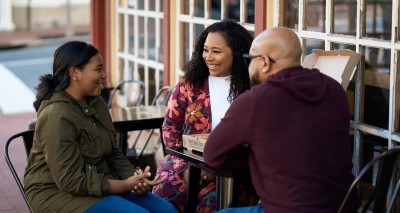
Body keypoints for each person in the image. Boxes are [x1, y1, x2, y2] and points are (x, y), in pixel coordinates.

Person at [203, 27, 360, 212]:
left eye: (249, 59)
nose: (248, 66)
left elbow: (212, 155)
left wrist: (258, 154)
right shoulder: (334, 90)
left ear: (265, 62)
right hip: (343, 207)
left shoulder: (255, 101)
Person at [24, 41, 177, 213]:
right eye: (98, 69)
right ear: (75, 73)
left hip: (99, 183)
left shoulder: (96, 103)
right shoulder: (56, 115)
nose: (104, 75)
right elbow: (71, 181)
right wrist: (125, 185)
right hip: (56, 193)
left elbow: (113, 152)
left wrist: (135, 179)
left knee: (167, 210)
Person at [152, 20, 259, 212]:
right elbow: (170, 127)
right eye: (205, 50)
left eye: (216, 51)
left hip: (231, 170)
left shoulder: (252, 89)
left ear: (236, 53)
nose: (208, 57)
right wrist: (186, 165)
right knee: (163, 199)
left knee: (211, 204)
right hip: (184, 165)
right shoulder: (189, 84)